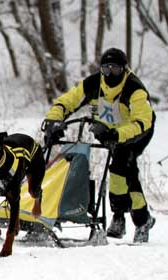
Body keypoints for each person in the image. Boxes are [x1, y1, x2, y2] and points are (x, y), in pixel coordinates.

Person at [41, 47, 156, 243]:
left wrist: (118, 134)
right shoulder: (93, 83)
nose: (110, 73)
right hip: (107, 132)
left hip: (136, 132)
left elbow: (141, 121)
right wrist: (54, 120)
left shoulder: (134, 88)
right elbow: (67, 101)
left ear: (124, 69)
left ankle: (140, 219)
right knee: (118, 170)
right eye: (106, 69)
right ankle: (119, 216)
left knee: (123, 166)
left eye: (115, 69)